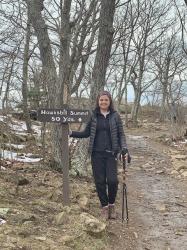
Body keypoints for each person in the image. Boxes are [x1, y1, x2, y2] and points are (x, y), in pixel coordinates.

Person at [69, 91, 130, 220]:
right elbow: (86, 133)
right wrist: (70, 133)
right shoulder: (94, 116)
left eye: (106, 100)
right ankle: (104, 207)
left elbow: (121, 134)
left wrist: (124, 148)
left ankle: (112, 204)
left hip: (111, 154)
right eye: (101, 100)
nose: (103, 102)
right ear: (98, 101)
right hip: (96, 154)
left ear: (110, 102)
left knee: (113, 181)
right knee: (100, 182)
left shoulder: (115, 116)